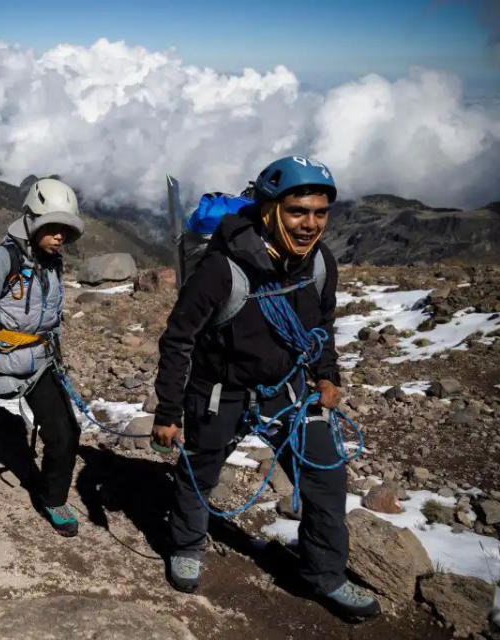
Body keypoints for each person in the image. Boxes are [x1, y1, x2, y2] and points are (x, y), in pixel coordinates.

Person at [151, 156, 380, 621]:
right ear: (271, 209)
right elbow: (179, 339)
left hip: (288, 389)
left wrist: (327, 374)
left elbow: (320, 325)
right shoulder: (222, 269)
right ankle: (187, 544)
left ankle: (325, 575)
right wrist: (169, 410)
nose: (310, 223)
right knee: (200, 470)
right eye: (299, 211)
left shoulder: (318, 264)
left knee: (325, 475)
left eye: (319, 212)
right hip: (221, 388)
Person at [0, 177, 85, 536]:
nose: (60, 236)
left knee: (66, 431)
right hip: (2, 360)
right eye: (52, 227)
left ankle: (53, 498)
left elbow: (53, 316)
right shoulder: (1, 260)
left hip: (42, 360)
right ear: (32, 221)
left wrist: (57, 356)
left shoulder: (53, 262)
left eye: (65, 229)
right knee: (62, 429)